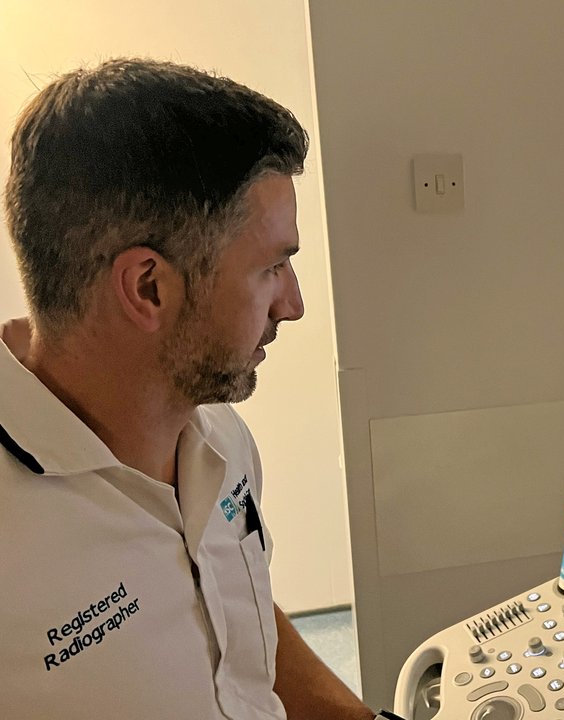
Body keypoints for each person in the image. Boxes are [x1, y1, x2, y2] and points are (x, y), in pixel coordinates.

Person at [0, 57, 375, 720]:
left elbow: (230, 613)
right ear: (149, 287)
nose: (293, 305)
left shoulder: (218, 436)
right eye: (271, 269)